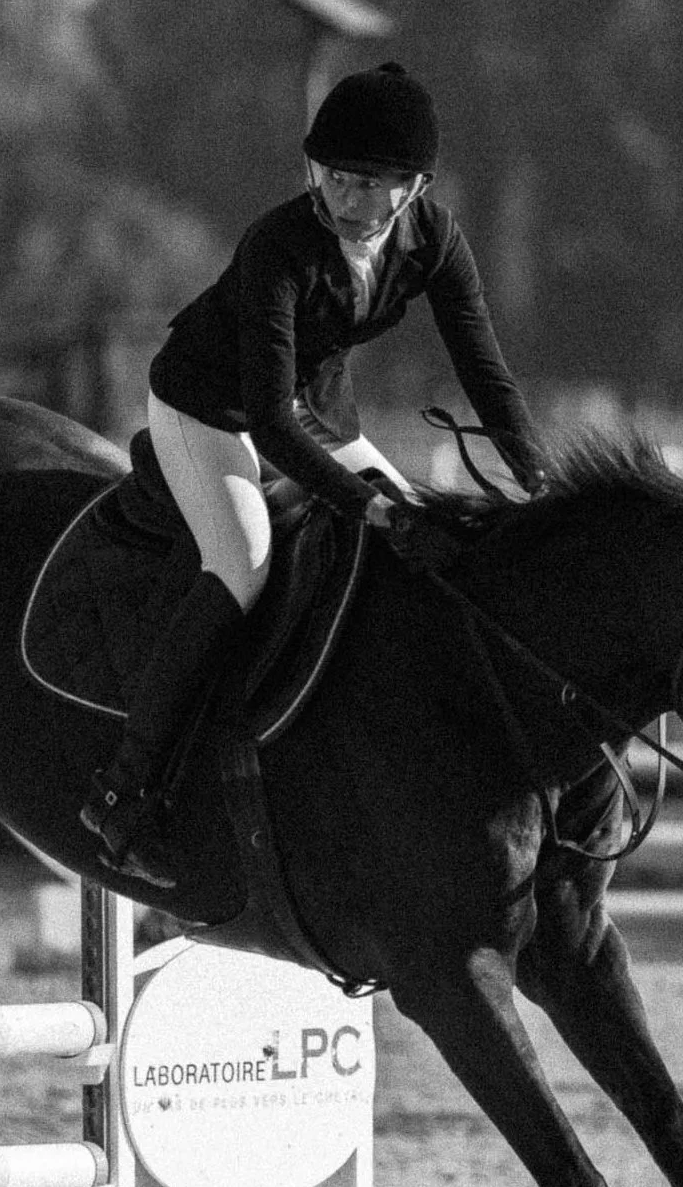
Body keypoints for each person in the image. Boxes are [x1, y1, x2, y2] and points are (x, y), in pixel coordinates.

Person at [80, 60, 548, 887]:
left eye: (373, 186)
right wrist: (366, 508)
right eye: (336, 179)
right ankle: (127, 788)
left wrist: (538, 480)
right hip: (209, 411)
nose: (349, 205)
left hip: (323, 417)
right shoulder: (278, 245)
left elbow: (486, 374)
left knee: (429, 563)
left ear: (415, 189)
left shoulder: (435, 240)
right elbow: (267, 420)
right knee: (246, 560)